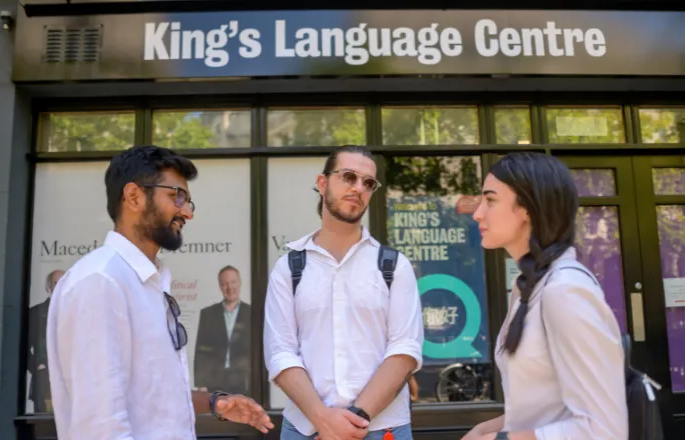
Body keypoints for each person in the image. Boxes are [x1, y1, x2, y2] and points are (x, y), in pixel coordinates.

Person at [46, 145, 273, 439]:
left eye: (188, 200)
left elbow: (148, 394)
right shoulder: (100, 282)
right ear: (134, 196)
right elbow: (100, 425)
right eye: (176, 196)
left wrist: (213, 403)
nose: (187, 212)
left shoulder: (148, 281)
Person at [462, 152, 627, 440]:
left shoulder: (564, 291)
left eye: (490, 200)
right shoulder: (528, 285)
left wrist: (500, 439)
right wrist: (489, 428)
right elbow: (547, 407)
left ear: (527, 207)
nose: (478, 213)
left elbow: (604, 430)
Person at [263, 145, 424, 440]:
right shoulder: (289, 268)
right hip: (306, 429)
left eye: (368, 183)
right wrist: (323, 419)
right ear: (323, 183)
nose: (358, 188)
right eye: (348, 176)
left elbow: (404, 350)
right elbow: (280, 353)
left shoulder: (393, 266)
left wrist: (354, 420)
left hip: (381, 427)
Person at [194, 265, 252, 395]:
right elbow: (201, 351)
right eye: (225, 284)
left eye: (233, 282)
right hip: (214, 382)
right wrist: (201, 384)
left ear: (240, 283)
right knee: (215, 416)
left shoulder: (252, 313)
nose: (230, 287)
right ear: (220, 287)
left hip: (243, 381)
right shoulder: (208, 314)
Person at [27, 269, 64, 413]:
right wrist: (37, 367)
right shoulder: (36, 313)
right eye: (57, 283)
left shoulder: (78, 312)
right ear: (49, 287)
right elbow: (22, 348)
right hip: (45, 382)